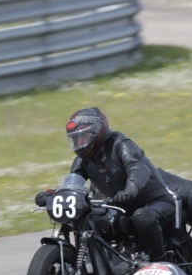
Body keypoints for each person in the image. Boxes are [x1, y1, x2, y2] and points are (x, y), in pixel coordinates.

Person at [35, 107, 175, 262]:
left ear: (97, 132)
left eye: (83, 137)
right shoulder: (83, 161)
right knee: (92, 220)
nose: (79, 143)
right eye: (75, 139)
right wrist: (53, 195)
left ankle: (161, 262)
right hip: (120, 207)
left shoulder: (120, 144)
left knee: (142, 217)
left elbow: (137, 168)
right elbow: (72, 186)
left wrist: (129, 191)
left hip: (156, 202)